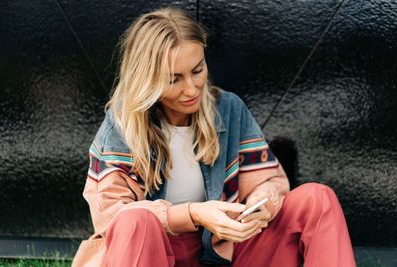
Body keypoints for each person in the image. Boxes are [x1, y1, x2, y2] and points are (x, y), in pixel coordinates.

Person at [72, 8, 356, 267]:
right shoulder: (121, 124)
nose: (192, 88)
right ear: (147, 80)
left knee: (317, 199)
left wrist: (261, 205)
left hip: (223, 252)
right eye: (174, 79)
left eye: (197, 70)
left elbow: (269, 181)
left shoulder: (228, 109)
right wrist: (195, 214)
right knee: (135, 220)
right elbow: (113, 218)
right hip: (152, 254)